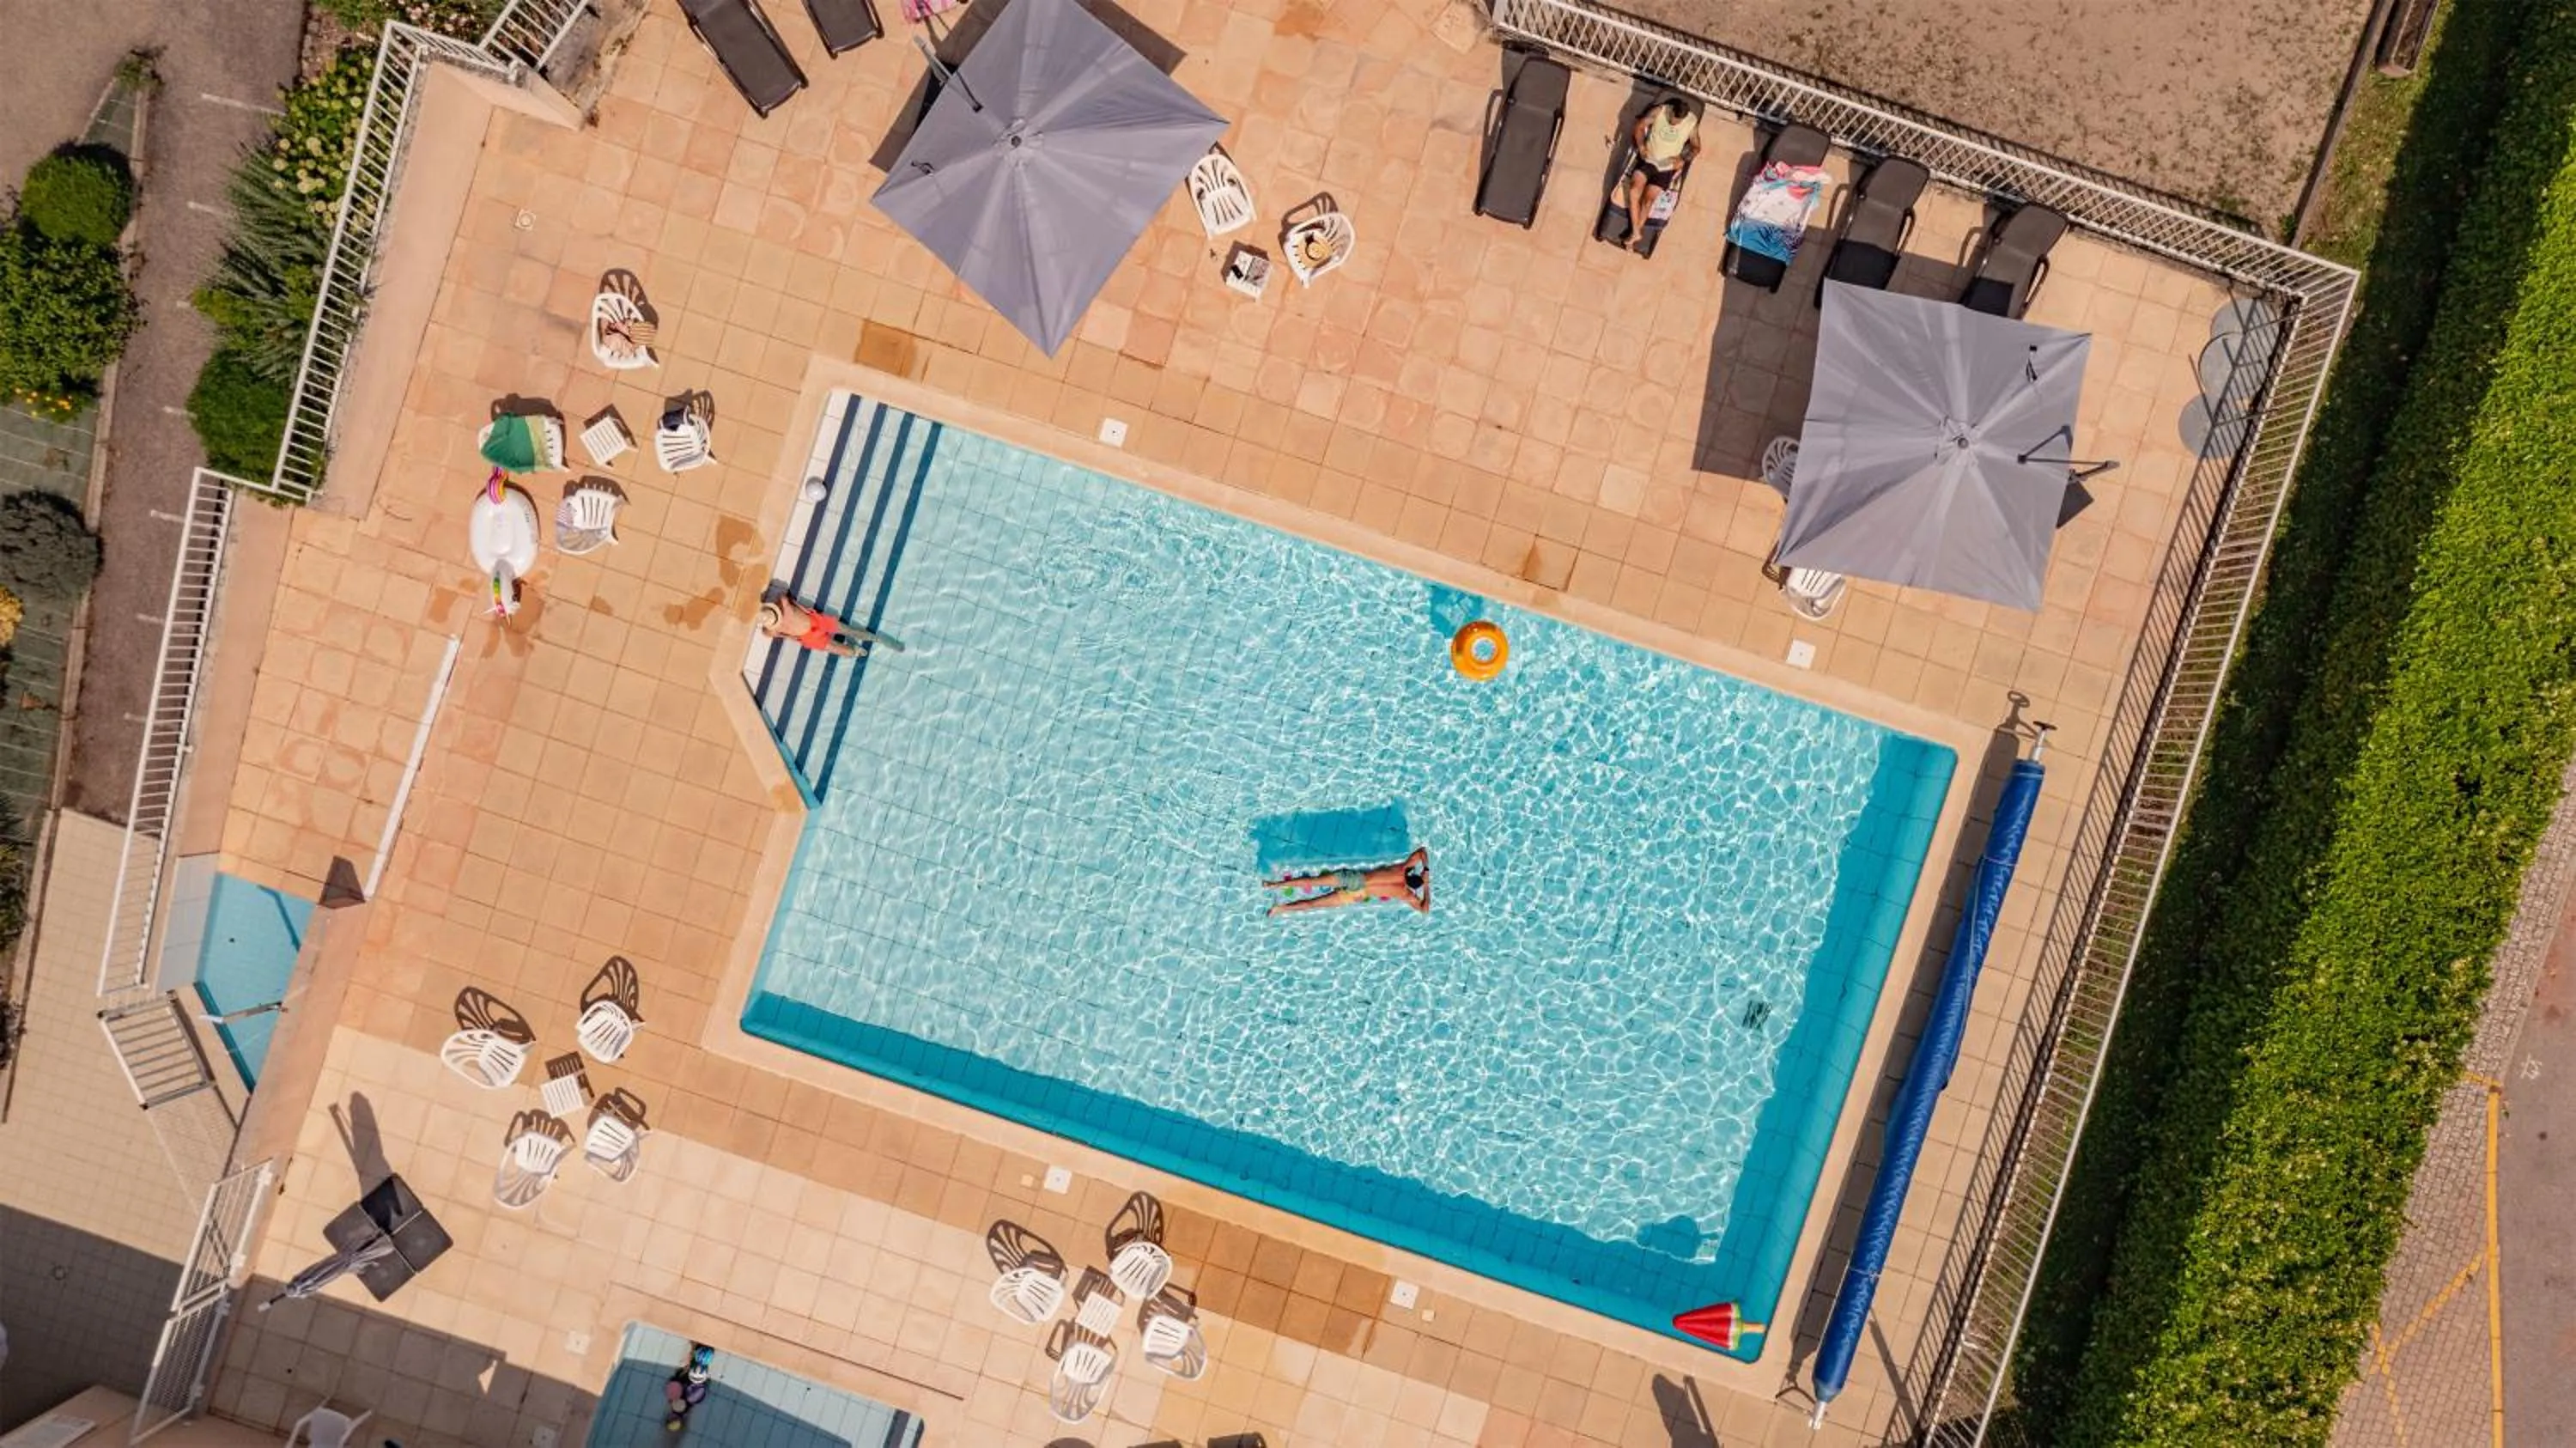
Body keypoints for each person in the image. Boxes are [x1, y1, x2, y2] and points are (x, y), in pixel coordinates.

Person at [1622, 98, 1701, 250]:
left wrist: (1683, 159)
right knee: (1633, 191)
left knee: (1648, 201)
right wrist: (1641, 146)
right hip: (1649, 160)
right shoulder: (1660, 111)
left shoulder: (1691, 122)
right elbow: (1639, 126)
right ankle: (1636, 233)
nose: (1675, 124)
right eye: (1673, 120)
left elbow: (1696, 147)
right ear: (1671, 110)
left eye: (1678, 122)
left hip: (1667, 167)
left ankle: (1634, 234)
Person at [1267, 847, 1430, 916]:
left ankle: (1274, 885)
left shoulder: (1401, 869)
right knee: (1313, 904)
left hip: (1356, 880)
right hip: (1358, 894)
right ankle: (1279, 909)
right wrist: (1426, 887)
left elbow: (1422, 852)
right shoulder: (1405, 894)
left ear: (1412, 873)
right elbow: (1424, 909)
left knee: (1313, 881)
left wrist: (1426, 870)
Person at [759, 593, 902, 658]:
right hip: (814, 626)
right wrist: (776, 606)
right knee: (848, 633)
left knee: (841, 646)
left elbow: (767, 633)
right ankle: (872, 640)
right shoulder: (784, 607)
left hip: (811, 632)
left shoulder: (773, 628)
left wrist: (772, 626)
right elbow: (783, 596)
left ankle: (859, 649)